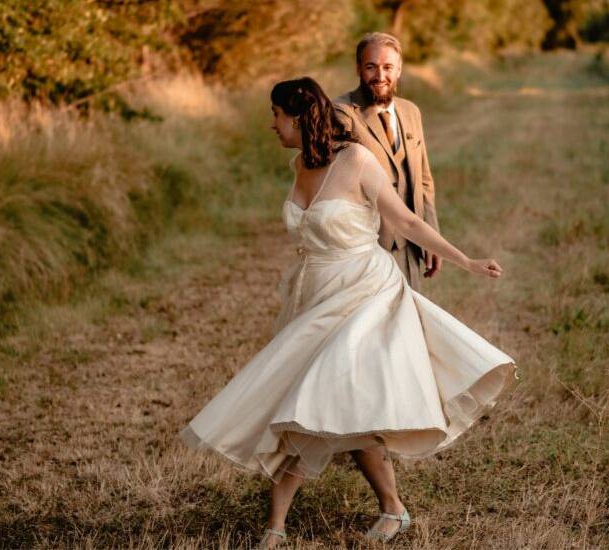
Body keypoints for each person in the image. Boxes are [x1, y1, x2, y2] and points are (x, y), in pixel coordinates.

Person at [179, 76, 516, 549]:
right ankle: (381, 512)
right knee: (325, 406)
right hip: (314, 295)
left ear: (296, 117)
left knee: (320, 398)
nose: (271, 125)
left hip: (365, 293)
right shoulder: (299, 164)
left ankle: (277, 528)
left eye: (275, 115)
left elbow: (404, 220)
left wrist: (467, 261)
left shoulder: (357, 159)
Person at [335, 32, 440, 291]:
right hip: (365, 250)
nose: (380, 76)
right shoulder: (340, 113)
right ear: (358, 68)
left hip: (409, 246)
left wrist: (432, 235)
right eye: (371, 67)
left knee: (407, 326)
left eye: (388, 67)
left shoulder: (411, 111)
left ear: (399, 69)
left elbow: (424, 180)